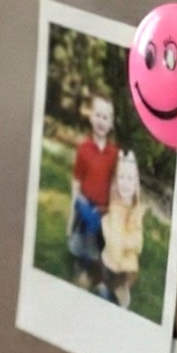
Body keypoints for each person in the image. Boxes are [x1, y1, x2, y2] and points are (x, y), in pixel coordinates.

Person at [67, 92, 118, 291]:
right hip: (85, 203)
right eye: (98, 115)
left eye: (106, 117)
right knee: (83, 227)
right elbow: (76, 181)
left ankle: (96, 269)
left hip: (102, 208)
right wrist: (72, 212)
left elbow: (114, 185)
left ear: (111, 123)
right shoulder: (84, 148)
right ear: (90, 116)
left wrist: (110, 209)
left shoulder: (113, 153)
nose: (101, 121)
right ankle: (82, 264)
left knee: (97, 236)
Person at [99, 151, 146, 309]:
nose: (125, 183)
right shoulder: (114, 206)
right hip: (109, 260)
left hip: (126, 266)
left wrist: (122, 241)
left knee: (121, 292)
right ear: (116, 180)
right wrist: (108, 228)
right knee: (107, 284)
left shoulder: (136, 212)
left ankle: (121, 298)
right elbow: (108, 228)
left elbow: (138, 242)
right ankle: (106, 289)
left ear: (135, 183)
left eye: (130, 179)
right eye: (122, 178)